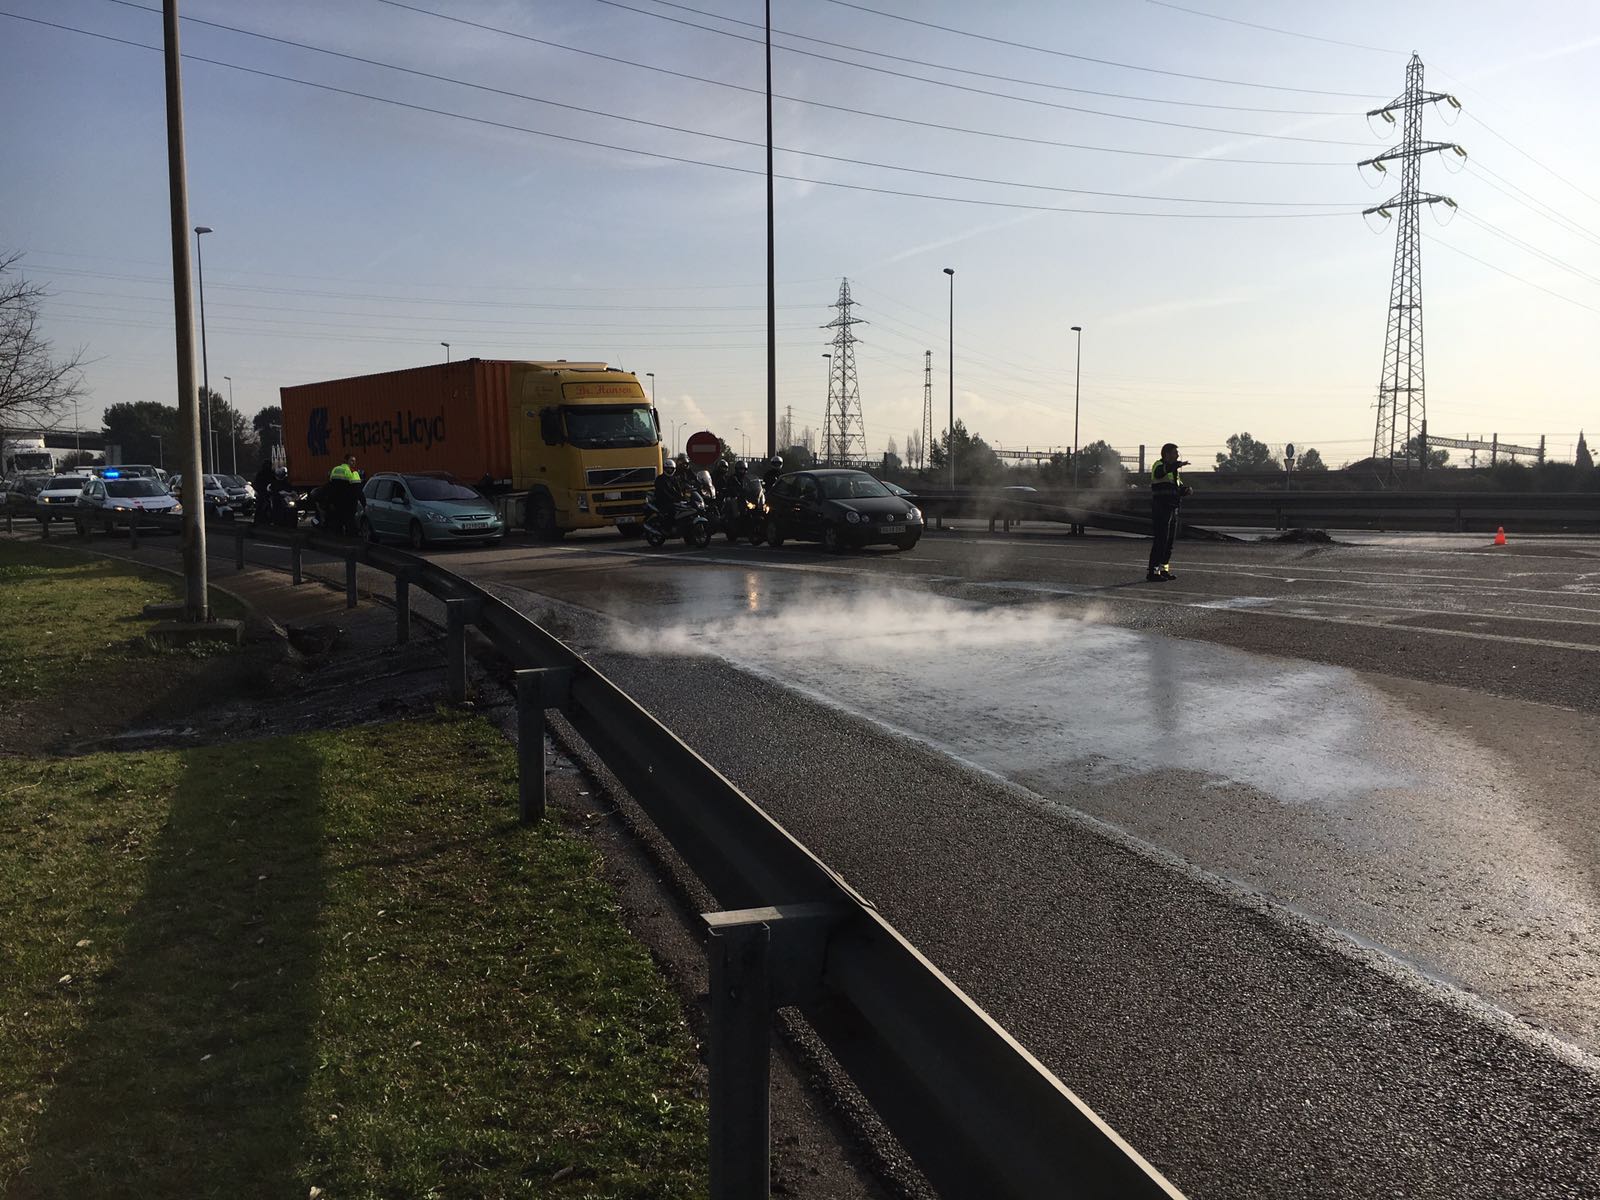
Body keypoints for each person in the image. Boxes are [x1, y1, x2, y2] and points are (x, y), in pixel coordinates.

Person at [1147, 442, 1192, 582]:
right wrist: (1176, 465)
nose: (1177, 455)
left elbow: (1175, 487)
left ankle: (1163, 570)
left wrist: (1185, 490)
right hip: (1161, 508)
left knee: (1169, 542)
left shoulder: (1173, 471)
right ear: (1166, 454)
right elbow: (1160, 473)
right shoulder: (1158, 465)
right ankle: (1152, 572)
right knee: (1161, 540)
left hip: (1172, 508)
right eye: (1175, 453)